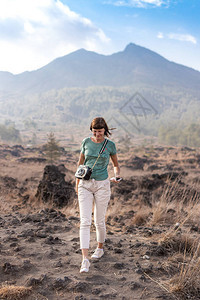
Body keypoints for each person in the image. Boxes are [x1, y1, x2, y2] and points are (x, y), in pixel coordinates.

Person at [76, 117, 121, 273]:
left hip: (102, 184)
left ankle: (100, 248)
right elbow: (80, 163)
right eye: (94, 132)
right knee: (85, 221)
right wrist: (77, 183)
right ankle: (85, 260)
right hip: (85, 185)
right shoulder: (86, 142)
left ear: (105, 130)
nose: (97, 135)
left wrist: (116, 176)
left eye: (100, 132)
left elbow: (115, 165)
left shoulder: (110, 145)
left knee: (99, 221)